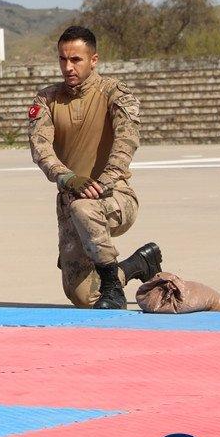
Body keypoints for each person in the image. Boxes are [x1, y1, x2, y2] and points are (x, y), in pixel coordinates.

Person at [28, 26, 162, 308]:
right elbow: (40, 147)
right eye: (63, 59)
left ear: (94, 60)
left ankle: (113, 286)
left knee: (83, 208)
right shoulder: (47, 99)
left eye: (76, 59)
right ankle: (137, 264)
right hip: (70, 200)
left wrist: (106, 181)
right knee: (83, 296)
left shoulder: (114, 93)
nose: (68, 67)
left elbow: (126, 140)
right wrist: (66, 177)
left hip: (115, 197)